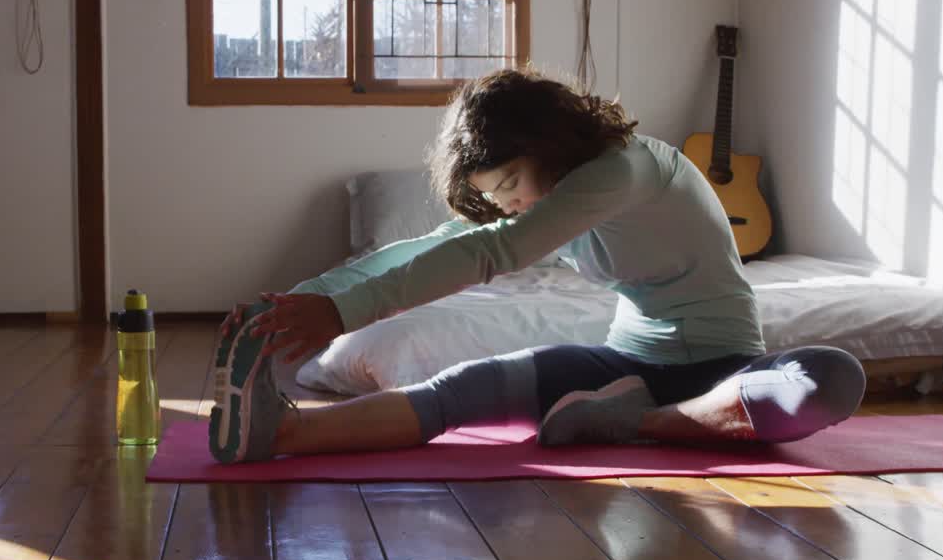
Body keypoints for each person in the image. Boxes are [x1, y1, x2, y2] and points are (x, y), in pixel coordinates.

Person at [208, 67, 866, 465]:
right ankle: (282, 434)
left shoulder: (626, 169)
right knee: (460, 386)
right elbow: (430, 246)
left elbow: (493, 254)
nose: (513, 202)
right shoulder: (553, 197)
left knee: (831, 377)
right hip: (618, 371)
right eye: (499, 195)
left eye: (513, 180)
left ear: (548, 141)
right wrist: (303, 298)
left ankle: (639, 423)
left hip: (724, 373)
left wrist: (342, 316)